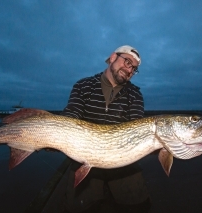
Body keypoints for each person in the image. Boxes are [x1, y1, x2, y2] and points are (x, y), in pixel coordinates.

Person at [61, 45, 151, 213]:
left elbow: (137, 128)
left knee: (139, 206)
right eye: (127, 61)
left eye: (134, 68)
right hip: (83, 159)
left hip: (125, 164)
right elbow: (71, 114)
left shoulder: (135, 94)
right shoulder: (83, 86)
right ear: (112, 58)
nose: (129, 69)